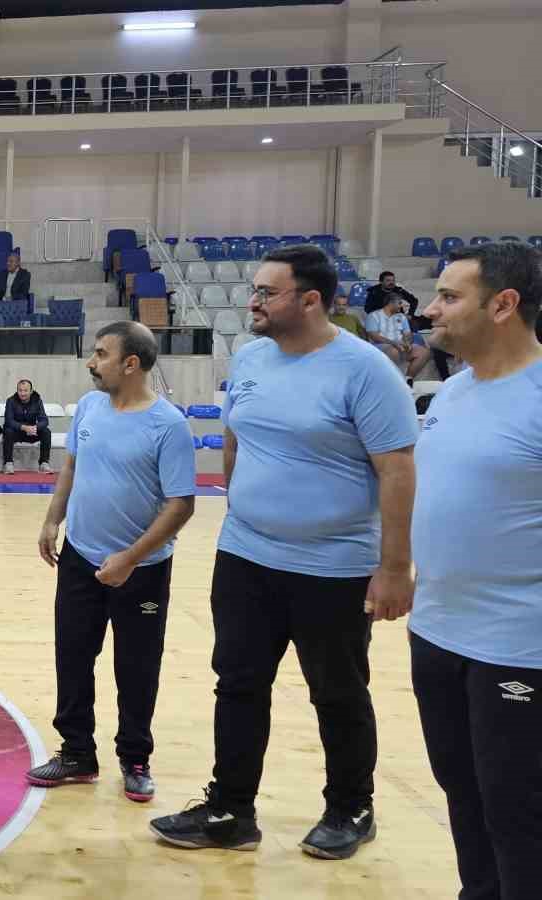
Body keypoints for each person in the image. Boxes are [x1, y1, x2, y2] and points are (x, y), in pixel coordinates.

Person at [149, 245, 418, 860]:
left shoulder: (365, 370)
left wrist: (395, 567)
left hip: (335, 567)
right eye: (254, 290)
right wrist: (244, 501)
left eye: (267, 292)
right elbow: (237, 435)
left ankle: (350, 807)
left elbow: (397, 469)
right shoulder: (249, 358)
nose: (254, 301)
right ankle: (230, 810)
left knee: (338, 691)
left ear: (311, 300)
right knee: (238, 683)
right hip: (246, 557)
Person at [410, 241, 542, 900]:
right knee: (463, 794)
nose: (431, 310)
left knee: (519, 813)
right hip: (437, 632)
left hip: (517, 646)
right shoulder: (452, 392)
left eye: (449, 297)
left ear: (503, 305)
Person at [30, 322, 196, 804]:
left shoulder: (168, 425)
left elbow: (181, 505)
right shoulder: (89, 407)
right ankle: (78, 752)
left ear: (131, 364)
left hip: (141, 569)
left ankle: (135, 757)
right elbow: (72, 466)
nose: (91, 361)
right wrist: (51, 520)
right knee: (74, 656)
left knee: (137, 666)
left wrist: (130, 557)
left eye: (101, 353)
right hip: (80, 558)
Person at [365, 294, 431, 380]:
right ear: (390, 303)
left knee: (424, 352)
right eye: (399, 303)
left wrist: (408, 343)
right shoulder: (373, 316)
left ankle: (408, 379)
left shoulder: (401, 316)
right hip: (381, 345)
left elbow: (408, 334)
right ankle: (394, 381)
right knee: (394, 351)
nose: (401, 306)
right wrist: (394, 343)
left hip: (400, 345)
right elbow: (375, 337)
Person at [4, 379, 54, 474]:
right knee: (8, 431)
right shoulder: (11, 401)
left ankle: (44, 463)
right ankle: (8, 463)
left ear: (31, 391)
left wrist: (35, 428)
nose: (22, 393)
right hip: (17, 432)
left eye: (25, 390)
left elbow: (44, 420)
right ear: (17, 390)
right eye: (20, 390)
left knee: (46, 432)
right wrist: (23, 427)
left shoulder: (37, 401)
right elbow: (9, 421)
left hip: (32, 432)